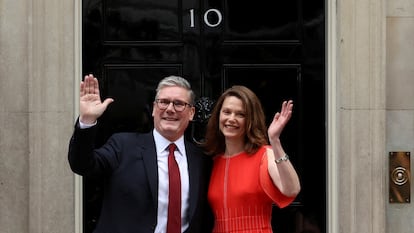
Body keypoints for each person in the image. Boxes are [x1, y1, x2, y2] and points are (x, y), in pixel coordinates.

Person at [68, 74, 213, 233]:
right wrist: (87, 120)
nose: (170, 109)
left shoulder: (201, 159)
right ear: (154, 108)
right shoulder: (123, 146)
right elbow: (82, 165)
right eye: (163, 102)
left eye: (179, 104)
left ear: (191, 113)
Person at [203, 85, 301, 233]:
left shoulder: (264, 155)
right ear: (218, 116)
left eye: (240, 114)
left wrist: (274, 140)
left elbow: (292, 189)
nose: (231, 119)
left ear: (250, 120)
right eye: (227, 112)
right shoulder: (213, 161)